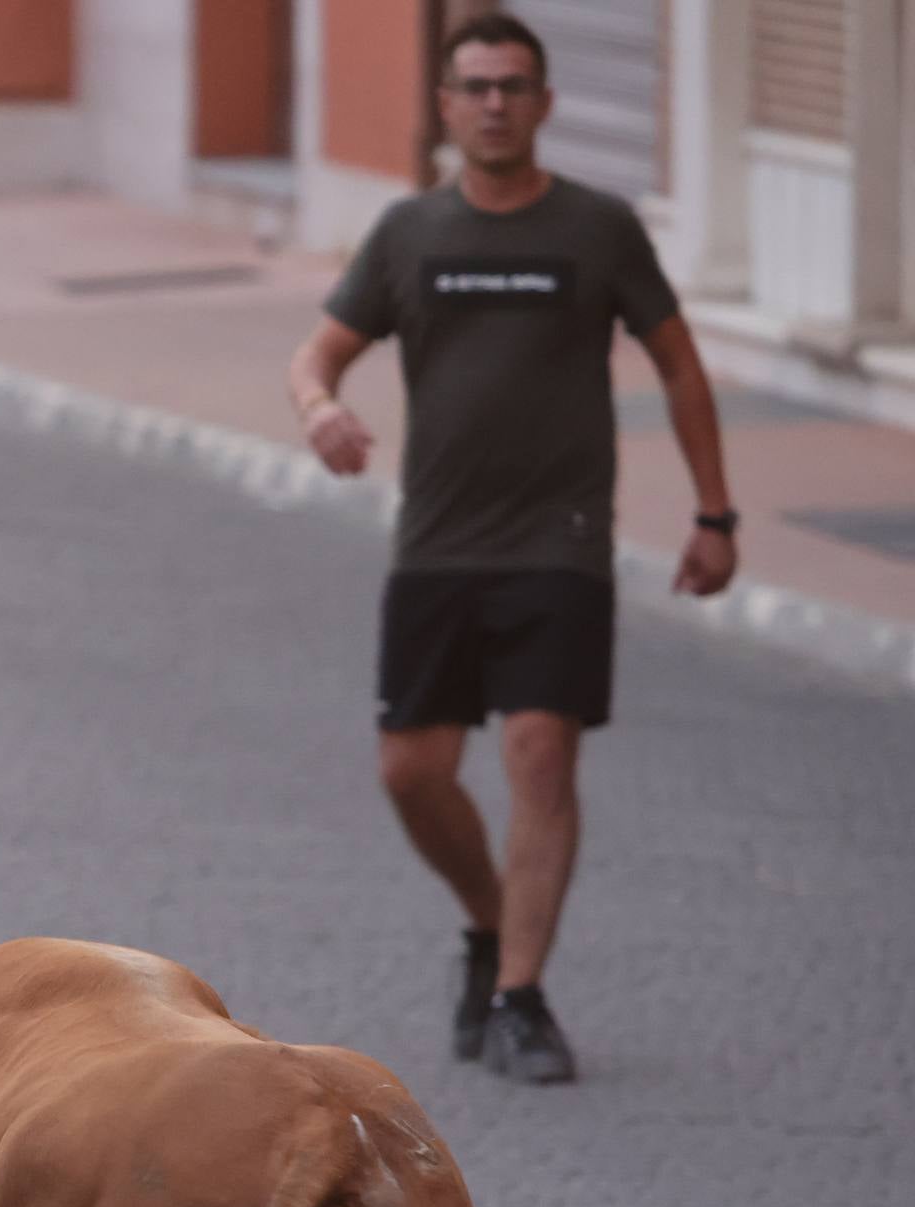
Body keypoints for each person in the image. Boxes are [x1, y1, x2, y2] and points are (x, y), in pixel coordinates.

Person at [285, 11, 737, 1085]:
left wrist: (715, 513)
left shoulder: (598, 229)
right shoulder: (409, 233)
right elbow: (316, 356)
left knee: (541, 750)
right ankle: (491, 925)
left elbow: (679, 364)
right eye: (476, 87)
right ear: (446, 107)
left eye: (514, 86)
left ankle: (522, 998)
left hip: (559, 538)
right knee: (412, 772)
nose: (495, 104)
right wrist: (319, 410)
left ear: (545, 103)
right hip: (438, 541)